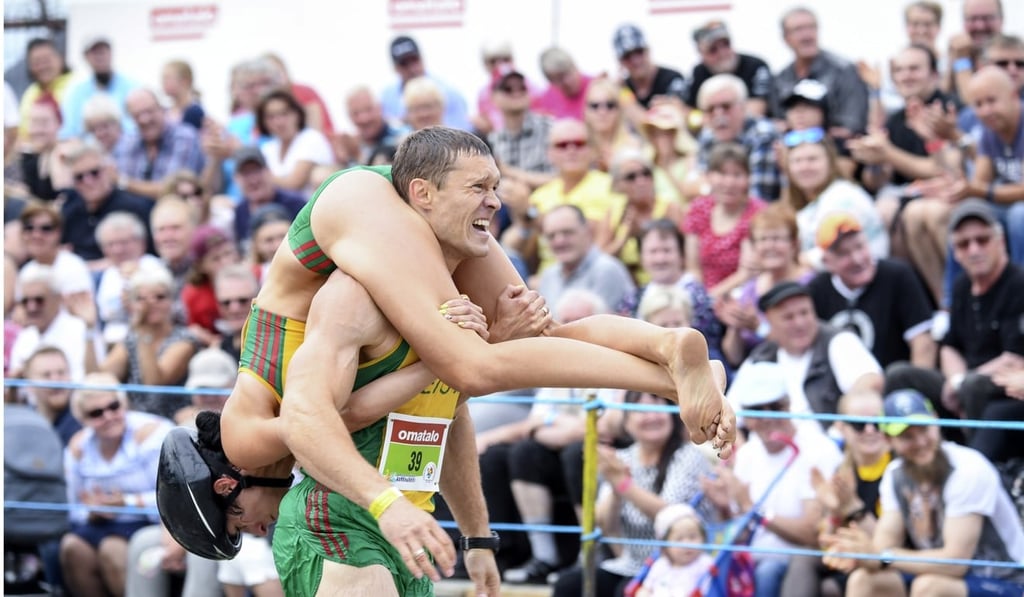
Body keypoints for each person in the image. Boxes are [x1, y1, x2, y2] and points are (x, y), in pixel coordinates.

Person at [205, 129, 732, 591]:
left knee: (508, 348)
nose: (253, 527)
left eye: (237, 522)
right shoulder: (350, 303)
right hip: (355, 518)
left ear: (230, 483)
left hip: (394, 511)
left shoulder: (248, 427)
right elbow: (334, 418)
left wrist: (471, 532)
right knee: (495, 353)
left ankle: (670, 362)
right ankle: (668, 366)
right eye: (482, 189)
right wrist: (463, 531)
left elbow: (381, 414)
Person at [824, 389, 1024, 596]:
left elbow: (955, 563)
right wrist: (855, 549)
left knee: (930, 587)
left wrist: (879, 555)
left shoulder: (968, 469)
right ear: (888, 440)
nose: (920, 442)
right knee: (865, 579)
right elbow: (883, 547)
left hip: (1007, 580)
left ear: (936, 422)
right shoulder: (895, 474)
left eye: (924, 429)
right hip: (946, 576)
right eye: (907, 436)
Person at [886, 199, 1024, 462]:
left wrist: (962, 382)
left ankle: (969, 468)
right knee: (900, 375)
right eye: (963, 244)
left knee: (974, 386)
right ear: (955, 253)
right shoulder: (961, 286)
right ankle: (906, 458)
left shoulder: (1018, 284)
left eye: (982, 240)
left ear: (1000, 241)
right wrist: (954, 381)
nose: (974, 250)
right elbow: (950, 345)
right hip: (967, 382)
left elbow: (1015, 358)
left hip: (1008, 391)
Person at [552, 391, 717, 597]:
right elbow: (605, 525)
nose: (651, 417)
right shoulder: (624, 457)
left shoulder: (687, 456)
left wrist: (623, 483)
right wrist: (615, 487)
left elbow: (672, 515)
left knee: (628, 591)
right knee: (569, 584)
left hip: (676, 565)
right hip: (629, 564)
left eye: (658, 408)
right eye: (640, 410)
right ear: (626, 423)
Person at [705, 361, 843, 597]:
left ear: (789, 405)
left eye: (775, 406)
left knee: (767, 572)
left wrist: (754, 510)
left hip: (802, 562)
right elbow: (741, 528)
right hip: (751, 561)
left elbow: (813, 534)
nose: (767, 417)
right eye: (758, 409)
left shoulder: (819, 449)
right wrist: (725, 509)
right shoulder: (748, 454)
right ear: (747, 416)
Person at [60, 373, 172, 597]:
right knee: (71, 547)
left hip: (149, 521)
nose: (109, 416)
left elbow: (172, 498)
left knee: (112, 549)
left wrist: (127, 502)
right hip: (100, 524)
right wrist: (92, 512)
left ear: (124, 404)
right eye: (96, 413)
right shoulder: (78, 447)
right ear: (83, 419)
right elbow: (74, 508)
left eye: (114, 406)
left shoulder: (152, 434)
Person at [808, 212, 937, 369]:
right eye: (844, 254)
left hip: (895, 382)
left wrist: (918, 387)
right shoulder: (816, 291)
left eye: (860, 247)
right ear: (827, 262)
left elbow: (923, 342)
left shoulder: (897, 275)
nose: (857, 259)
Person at [747, 281, 884, 427]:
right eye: (788, 317)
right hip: (776, 445)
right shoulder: (763, 355)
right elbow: (733, 409)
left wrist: (840, 429)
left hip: (829, 443)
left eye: (804, 313)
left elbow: (870, 381)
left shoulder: (838, 341)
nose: (799, 323)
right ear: (769, 321)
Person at [85, 261, 197, 421]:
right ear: (131, 304)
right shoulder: (131, 339)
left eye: (160, 297)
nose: (152, 304)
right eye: (141, 299)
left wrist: (143, 332)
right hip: (134, 422)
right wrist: (89, 329)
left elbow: (153, 385)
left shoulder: (185, 339)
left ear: (172, 301)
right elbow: (97, 380)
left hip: (172, 421)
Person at [715, 203, 813, 367]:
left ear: (794, 244)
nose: (769, 246)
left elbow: (806, 343)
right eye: (763, 239)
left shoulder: (810, 284)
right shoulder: (750, 289)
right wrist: (735, 326)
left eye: (777, 238)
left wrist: (759, 327)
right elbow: (734, 357)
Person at [781, 128, 888, 269]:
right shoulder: (803, 203)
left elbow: (835, 252)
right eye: (797, 161)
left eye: (812, 159)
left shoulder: (843, 195)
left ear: (830, 163)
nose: (804, 167)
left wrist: (787, 264)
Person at [681, 142, 765, 298]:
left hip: (742, 292)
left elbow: (745, 273)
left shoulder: (757, 213)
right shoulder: (698, 208)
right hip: (702, 292)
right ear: (709, 176)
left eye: (737, 174)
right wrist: (699, 298)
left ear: (748, 179)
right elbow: (693, 267)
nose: (729, 182)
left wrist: (709, 299)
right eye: (722, 174)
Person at [773, 6, 869, 140]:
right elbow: (778, 122)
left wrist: (813, 134)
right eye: (798, 30)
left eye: (811, 27)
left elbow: (852, 126)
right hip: (793, 150)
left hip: (837, 150)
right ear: (785, 38)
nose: (807, 36)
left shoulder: (843, 71)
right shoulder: (782, 78)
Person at [60, 142, 153, 267]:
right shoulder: (69, 210)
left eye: (94, 173)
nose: (88, 181)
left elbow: (146, 256)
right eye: (79, 177)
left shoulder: (134, 207)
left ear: (109, 171)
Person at [694, 74, 782, 201]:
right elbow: (700, 189)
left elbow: (759, 199)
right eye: (710, 109)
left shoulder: (763, 135)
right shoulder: (707, 136)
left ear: (743, 107)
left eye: (726, 106)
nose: (718, 114)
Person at [537, 203, 636, 312]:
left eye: (567, 233)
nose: (559, 241)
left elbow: (601, 325)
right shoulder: (549, 276)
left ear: (587, 230)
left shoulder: (606, 270)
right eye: (551, 236)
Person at [115, 88, 206, 200]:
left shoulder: (184, 137)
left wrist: (124, 183)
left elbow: (172, 191)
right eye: (137, 115)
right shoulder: (127, 142)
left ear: (162, 108)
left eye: (149, 111)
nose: (144, 119)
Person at [683, 20, 773, 117]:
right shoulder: (698, 73)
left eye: (726, 44)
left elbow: (756, 110)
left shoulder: (755, 66)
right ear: (701, 53)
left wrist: (709, 115)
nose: (722, 53)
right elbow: (689, 112)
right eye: (713, 49)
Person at [381, 36, 471, 131]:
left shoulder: (449, 93)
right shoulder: (387, 97)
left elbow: (462, 132)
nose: (412, 69)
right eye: (404, 64)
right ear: (395, 68)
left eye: (414, 60)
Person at [255, 89, 334, 195]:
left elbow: (294, 183)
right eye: (271, 117)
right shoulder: (268, 148)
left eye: (284, 113)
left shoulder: (311, 139)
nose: (279, 122)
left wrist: (260, 178)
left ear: (297, 113)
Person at [59, 36, 139, 140]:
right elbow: (69, 130)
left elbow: (135, 127)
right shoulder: (75, 93)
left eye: (102, 52)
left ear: (110, 54)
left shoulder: (133, 87)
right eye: (94, 53)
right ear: (86, 57)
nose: (100, 57)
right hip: (87, 151)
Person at [230, 146, 306, 245]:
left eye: (256, 171)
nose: (253, 180)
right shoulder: (240, 211)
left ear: (268, 172)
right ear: (236, 179)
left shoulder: (295, 204)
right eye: (246, 173)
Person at [636, 504, 715, 597]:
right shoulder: (660, 565)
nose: (687, 544)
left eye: (693, 537)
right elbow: (645, 589)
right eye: (679, 539)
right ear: (665, 546)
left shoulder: (705, 564)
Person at [611, 24, 687, 112]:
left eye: (639, 52)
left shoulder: (672, 79)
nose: (635, 61)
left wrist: (622, 94)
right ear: (620, 61)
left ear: (648, 50)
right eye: (627, 56)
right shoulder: (623, 87)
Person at [17, 38, 73, 140]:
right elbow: (23, 132)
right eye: (37, 62)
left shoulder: (76, 84)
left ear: (60, 58)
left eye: (47, 60)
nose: (43, 66)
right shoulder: (30, 93)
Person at [535, 47, 595, 121]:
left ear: (575, 66)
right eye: (560, 79)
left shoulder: (597, 87)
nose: (567, 81)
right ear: (550, 81)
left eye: (569, 73)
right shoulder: (546, 100)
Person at [161, 59, 204, 130]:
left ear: (185, 81)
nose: (163, 82)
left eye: (167, 78)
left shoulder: (194, 112)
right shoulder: (166, 111)